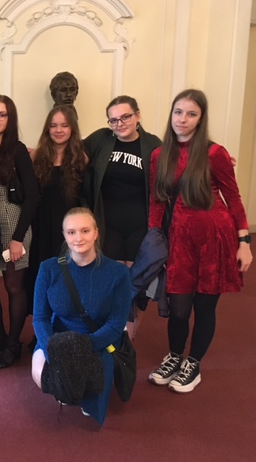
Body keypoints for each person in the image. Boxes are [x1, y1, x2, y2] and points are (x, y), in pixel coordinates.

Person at [147, 89, 253, 393]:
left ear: (201, 119)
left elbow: (233, 199)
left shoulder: (215, 153)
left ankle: (192, 364)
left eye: (191, 114)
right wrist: (154, 239)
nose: (183, 119)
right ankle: (174, 356)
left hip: (214, 239)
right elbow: (156, 202)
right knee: (179, 308)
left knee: (204, 307)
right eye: (178, 112)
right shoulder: (159, 155)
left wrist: (244, 241)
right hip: (179, 240)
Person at [31, 207, 131, 425]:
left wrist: (81, 349)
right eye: (71, 232)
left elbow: (116, 324)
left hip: (98, 339)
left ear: (96, 233)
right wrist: (53, 350)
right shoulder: (48, 268)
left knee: (90, 395)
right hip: (59, 337)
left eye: (85, 231)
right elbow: (40, 318)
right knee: (42, 374)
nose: (78, 238)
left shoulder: (118, 273)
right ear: (64, 236)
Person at [84, 95, 162, 338]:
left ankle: (129, 339)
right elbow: (69, 149)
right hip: (109, 224)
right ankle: (115, 336)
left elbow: (179, 159)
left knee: (137, 285)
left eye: (125, 117)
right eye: (113, 120)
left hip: (140, 225)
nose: (119, 124)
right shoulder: (101, 139)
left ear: (138, 115)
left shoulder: (152, 144)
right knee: (114, 284)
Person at [0, 95, 39, 368]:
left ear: (10, 119)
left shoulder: (18, 150)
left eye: (2, 114)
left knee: (13, 286)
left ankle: (13, 343)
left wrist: (17, 239)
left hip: (13, 222)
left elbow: (33, 196)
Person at [25, 105, 88, 315]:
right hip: (41, 226)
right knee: (42, 276)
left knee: (67, 277)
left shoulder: (81, 159)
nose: (58, 130)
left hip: (69, 229)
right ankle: (42, 325)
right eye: (53, 126)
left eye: (64, 125)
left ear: (72, 129)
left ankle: (64, 325)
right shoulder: (36, 157)